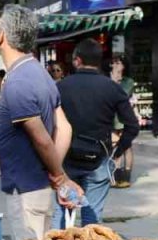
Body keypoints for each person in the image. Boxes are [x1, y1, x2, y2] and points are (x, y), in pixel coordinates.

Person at [0, 5, 81, 240]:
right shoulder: (41, 74)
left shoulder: (17, 82)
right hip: (38, 186)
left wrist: (59, 175)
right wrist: (54, 172)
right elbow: (64, 128)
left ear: (1, 35)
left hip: (26, 189)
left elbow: (41, 138)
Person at [51, 39, 140, 229]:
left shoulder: (60, 87)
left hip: (67, 162)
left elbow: (49, 123)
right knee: (92, 222)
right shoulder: (113, 88)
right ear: (100, 62)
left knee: (61, 215)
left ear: (77, 61)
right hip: (98, 160)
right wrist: (117, 153)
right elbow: (133, 126)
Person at [109, 56, 137, 188]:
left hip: (124, 118)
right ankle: (116, 174)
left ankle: (126, 176)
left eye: (118, 62)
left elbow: (123, 95)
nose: (115, 64)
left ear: (124, 66)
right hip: (111, 118)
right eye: (114, 62)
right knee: (115, 145)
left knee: (126, 146)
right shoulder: (108, 80)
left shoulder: (128, 82)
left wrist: (115, 80)